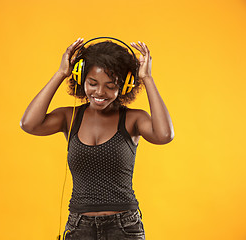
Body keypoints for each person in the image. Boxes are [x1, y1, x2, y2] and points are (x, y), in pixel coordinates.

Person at [20, 37, 174, 240]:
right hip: (78, 227)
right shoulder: (70, 117)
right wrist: (61, 73)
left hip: (124, 226)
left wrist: (147, 78)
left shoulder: (133, 119)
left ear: (126, 85)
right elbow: (29, 124)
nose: (100, 92)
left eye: (111, 86)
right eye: (92, 83)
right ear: (80, 78)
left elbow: (164, 135)